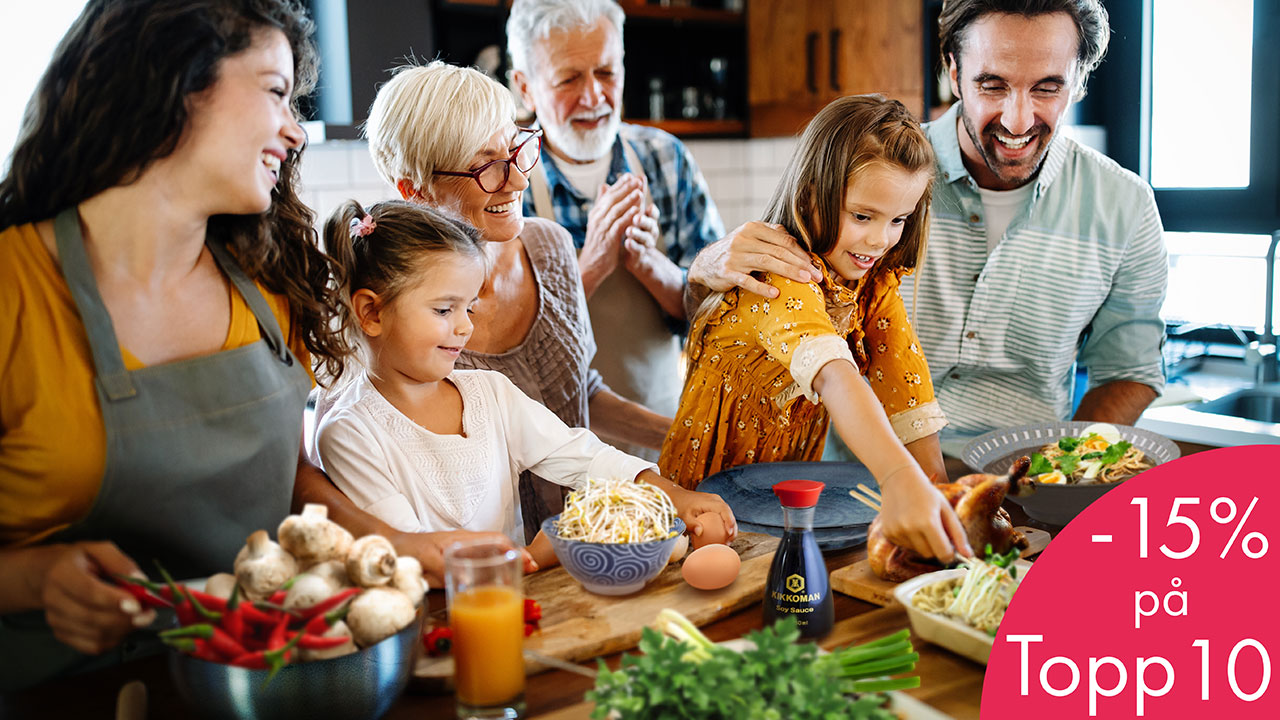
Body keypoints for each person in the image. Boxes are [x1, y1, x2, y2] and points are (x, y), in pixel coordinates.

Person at [0, 0, 358, 690]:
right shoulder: (15, 288)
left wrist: (397, 544)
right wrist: (36, 578)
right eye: (276, 92)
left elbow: (283, 479)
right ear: (179, 79)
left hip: (256, 683)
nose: (294, 129)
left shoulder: (268, 284)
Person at [689, 0, 1167, 450]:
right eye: (992, 85)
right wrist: (705, 268)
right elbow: (743, 315)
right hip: (851, 495)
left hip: (1022, 492)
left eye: (1047, 87)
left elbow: (1129, 370)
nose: (1018, 120)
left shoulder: (1125, 206)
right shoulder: (870, 167)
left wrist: (1061, 471)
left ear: (1079, 80)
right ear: (953, 72)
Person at [346, 60, 670, 542]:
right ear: (414, 190)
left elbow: (578, 391)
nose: (517, 181)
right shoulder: (398, 316)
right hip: (492, 562)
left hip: (589, 544)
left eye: (515, 151)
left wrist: (686, 437)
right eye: (486, 167)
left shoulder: (551, 248)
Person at [314, 200, 736, 569]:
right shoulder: (351, 434)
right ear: (371, 313)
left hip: (514, 603)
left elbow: (581, 456)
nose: (463, 327)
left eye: (469, 308)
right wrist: (539, 553)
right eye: (444, 309)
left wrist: (673, 495)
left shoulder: (490, 394)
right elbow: (415, 557)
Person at [660, 95, 968, 564]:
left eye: (899, 219)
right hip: (694, 502)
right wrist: (900, 481)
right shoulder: (778, 272)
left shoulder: (873, 283)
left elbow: (909, 396)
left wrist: (941, 501)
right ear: (811, 195)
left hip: (782, 512)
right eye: (863, 216)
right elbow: (835, 376)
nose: (880, 240)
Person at [508, 0, 768, 459]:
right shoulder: (507, 178)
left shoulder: (664, 159)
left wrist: (651, 265)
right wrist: (593, 263)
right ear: (525, 87)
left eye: (607, 73)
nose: (593, 96)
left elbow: (723, 314)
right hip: (553, 449)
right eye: (569, 79)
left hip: (665, 431)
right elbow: (507, 340)